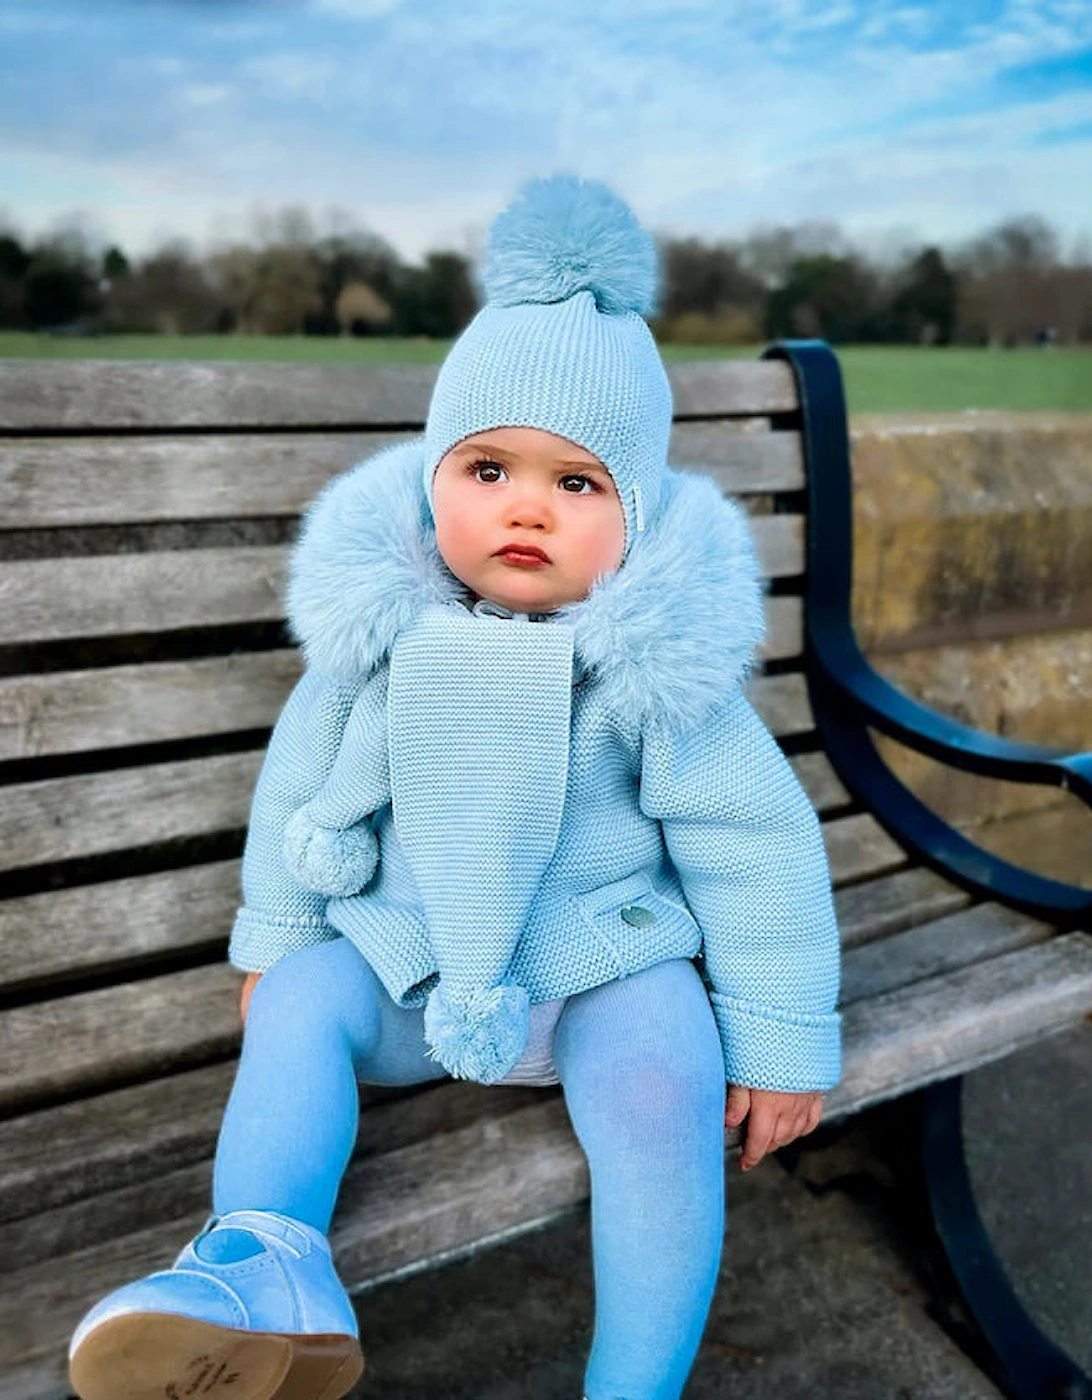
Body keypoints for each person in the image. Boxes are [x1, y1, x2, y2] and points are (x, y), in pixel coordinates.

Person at [67, 174, 842, 1400]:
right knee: (300, 1006)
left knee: (665, 1082)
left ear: (632, 519)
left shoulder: (651, 670)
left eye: (577, 483)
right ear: (435, 481)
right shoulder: (383, 641)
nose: (526, 504)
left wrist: (784, 1037)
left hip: (597, 962)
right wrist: (280, 936)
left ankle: (633, 1379)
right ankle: (260, 1266)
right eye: (489, 467)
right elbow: (299, 792)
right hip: (411, 958)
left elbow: (757, 846)